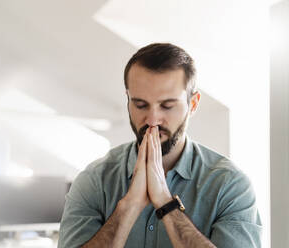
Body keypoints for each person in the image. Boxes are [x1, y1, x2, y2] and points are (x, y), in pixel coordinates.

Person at [58, 43, 262, 248]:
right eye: (140, 105)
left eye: (167, 106)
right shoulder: (94, 180)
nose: (153, 120)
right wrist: (129, 207)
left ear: (193, 104)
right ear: (128, 101)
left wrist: (166, 204)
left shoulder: (230, 185)